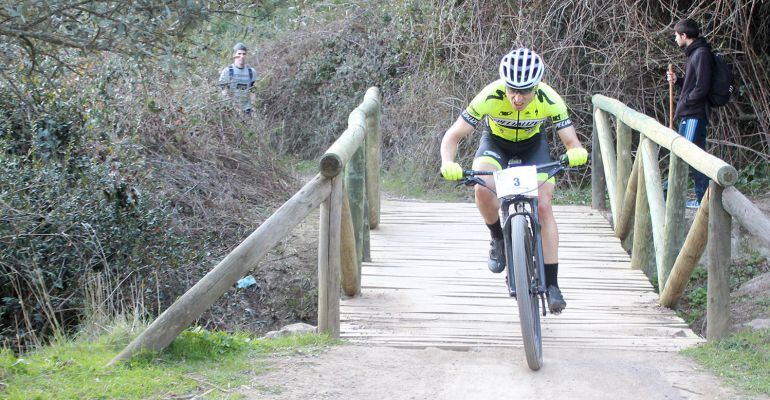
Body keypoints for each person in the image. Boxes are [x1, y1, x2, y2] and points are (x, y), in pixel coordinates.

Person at [439, 47, 588, 314]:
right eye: (512, 91)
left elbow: (570, 140)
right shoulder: (490, 96)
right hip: (496, 145)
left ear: (537, 87)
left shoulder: (550, 98)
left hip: (534, 147)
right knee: (483, 190)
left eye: (525, 91)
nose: (518, 98)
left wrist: (575, 152)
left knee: (543, 205)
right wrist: (448, 162)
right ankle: (497, 237)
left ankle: (552, 284)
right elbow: (452, 137)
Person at [666, 18, 713, 209]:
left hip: (694, 114)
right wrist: (678, 81)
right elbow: (693, 83)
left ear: (684, 36)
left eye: (677, 36)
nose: (676, 39)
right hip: (690, 112)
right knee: (695, 156)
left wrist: (685, 102)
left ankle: (700, 200)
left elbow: (702, 88)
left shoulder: (701, 54)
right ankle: (703, 199)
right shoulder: (694, 53)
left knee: (688, 155)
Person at [218, 42, 258, 115]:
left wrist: (254, 108)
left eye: (244, 54)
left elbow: (253, 91)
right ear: (234, 55)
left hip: (247, 110)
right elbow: (224, 92)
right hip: (231, 110)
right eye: (239, 54)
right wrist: (234, 107)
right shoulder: (227, 71)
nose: (241, 56)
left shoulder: (251, 72)